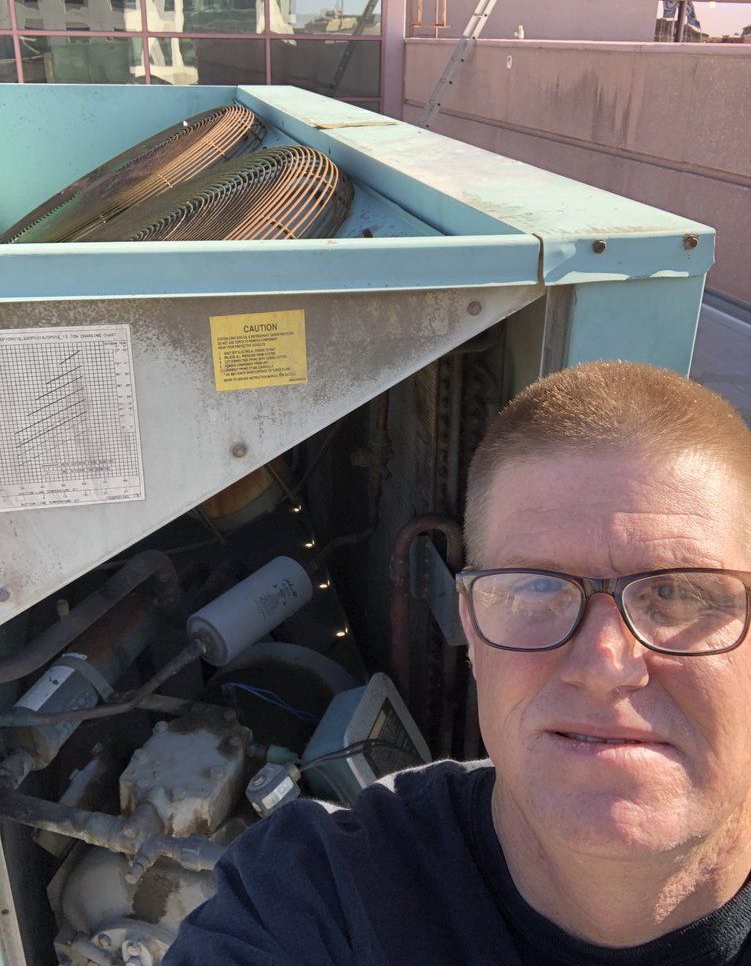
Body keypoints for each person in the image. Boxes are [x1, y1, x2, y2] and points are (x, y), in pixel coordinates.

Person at [165, 361, 751, 965]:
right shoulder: (317, 896)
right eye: (534, 591)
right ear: (472, 628)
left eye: (677, 594)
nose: (604, 663)